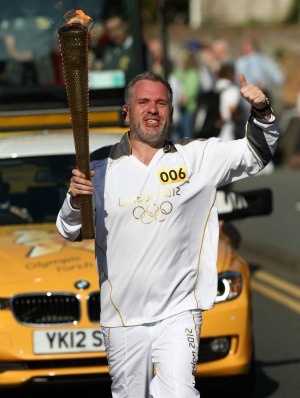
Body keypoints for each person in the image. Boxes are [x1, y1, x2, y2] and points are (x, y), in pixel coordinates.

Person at [56, 70, 279, 397]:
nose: (153, 109)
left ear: (171, 112)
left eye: (161, 103)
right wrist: (76, 200)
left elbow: (256, 152)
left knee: (180, 393)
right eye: (143, 102)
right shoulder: (100, 171)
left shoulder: (198, 158)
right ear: (127, 112)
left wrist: (262, 112)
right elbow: (68, 230)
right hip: (123, 317)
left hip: (179, 312)